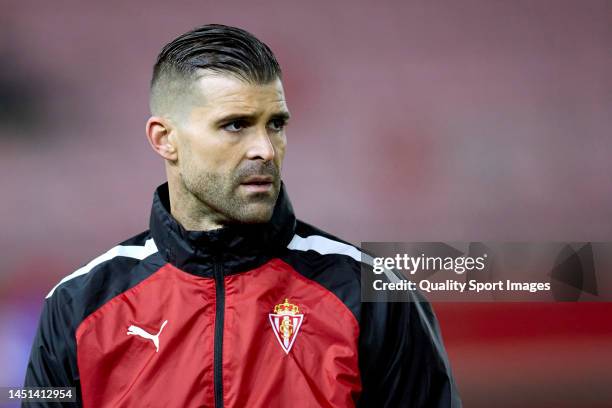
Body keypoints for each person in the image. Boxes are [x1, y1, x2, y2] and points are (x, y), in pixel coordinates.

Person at [24, 24, 461, 407]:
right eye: (236, 124)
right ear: (165, 139)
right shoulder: (77, 305)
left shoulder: (375, 296)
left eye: (276, 124)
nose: (265, 150)